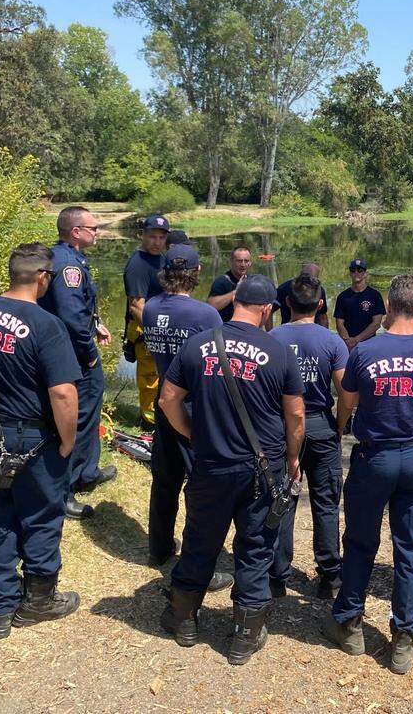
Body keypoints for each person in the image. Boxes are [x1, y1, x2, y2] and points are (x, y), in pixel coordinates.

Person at [158, 275, 305, 666]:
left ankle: (184, 619)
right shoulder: (278, 352)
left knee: (200, 540)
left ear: (236, 301)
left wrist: (192, 434)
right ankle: (245, 635)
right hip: (263, 469)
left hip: (210, 464)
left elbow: (168, 398)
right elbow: (295, 415)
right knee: (255, 546)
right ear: (265, 309)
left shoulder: (197, 345)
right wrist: (293, 459)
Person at [323, 274, 413, 676]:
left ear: (390, 306)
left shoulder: (365, 351)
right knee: (410, 548)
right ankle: (404, 636)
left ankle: (351, 622)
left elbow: (350, 398)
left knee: (360, 541)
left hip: (375, 456)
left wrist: (343, 422)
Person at [0, 243, 82, 638]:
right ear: (43, 277)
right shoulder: (46, 325)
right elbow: (63, 393)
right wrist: (67, 442)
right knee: (42, 515)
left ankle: (0, 607)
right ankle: (39, 601)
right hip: (33, 437)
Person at [140, 243, 232, 592]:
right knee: (201, 483)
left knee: (164, 478)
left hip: (165, 400)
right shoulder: (204, 315)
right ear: (195, 273)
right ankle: (199, 561)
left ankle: (159, 548)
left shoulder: (149, 308)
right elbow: (218, 361)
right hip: (196, 404)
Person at [269, 274, 349, 599]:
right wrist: (340, 426)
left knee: (282, 499)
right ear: (319, 305)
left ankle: (276, 576)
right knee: (326, 502)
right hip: (320, 425)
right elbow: (346, 393)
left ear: (287, 303)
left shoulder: (272, 338)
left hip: (282, 427)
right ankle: (331, 577)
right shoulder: (332, 341)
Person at [37, 206, 114, 520]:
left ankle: (86, 472)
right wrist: (90, 353)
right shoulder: (68, 264)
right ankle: (65, 492)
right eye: (92, 228)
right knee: (76, 419)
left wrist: (95, 324)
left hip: (73, 351)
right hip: (73, 356)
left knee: (90, 412)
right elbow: (69, 318)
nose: (96, 232)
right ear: (75, 232)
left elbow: (79, 308)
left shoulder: (68, 258)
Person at [123, 215, 169, 430]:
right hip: (145, 326)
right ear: (142, 235)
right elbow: (136, 306)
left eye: (161, 237)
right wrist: (155, 332)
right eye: (152, 237)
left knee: (164, 375)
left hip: (161, 324)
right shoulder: (138, 264)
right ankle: (149, 423)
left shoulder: (161, 258)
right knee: (150, 377)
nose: (157, 242)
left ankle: (161, 417)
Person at [333, 259, 385, 350]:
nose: (356, 273)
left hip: (369, 345)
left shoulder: (375, 295)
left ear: (365, 274)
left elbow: (376, 323)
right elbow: (339, 324)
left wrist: (357, 339)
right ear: (350, 273)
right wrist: (347, 341)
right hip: (347, 345)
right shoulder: (342, 297)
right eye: (353, 270)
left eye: (360, 270)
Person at [207, 246, 253, 324]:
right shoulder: (222, 282)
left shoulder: (253, 281)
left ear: (250, 263)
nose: (243, 264)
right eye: (239, 261)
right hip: (225, 328)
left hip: (246, 328)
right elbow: (210, 306)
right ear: (231, 262)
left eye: (246, 261)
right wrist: (236, 292)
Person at [275, 262, 328, 327]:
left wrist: (325, 333)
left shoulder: (319, 290)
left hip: (312, 329)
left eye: (311, 279)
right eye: (305, 277)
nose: (307, 281)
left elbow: (322, 316)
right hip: (289, 328)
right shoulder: (284, 288)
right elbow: (270, 310)